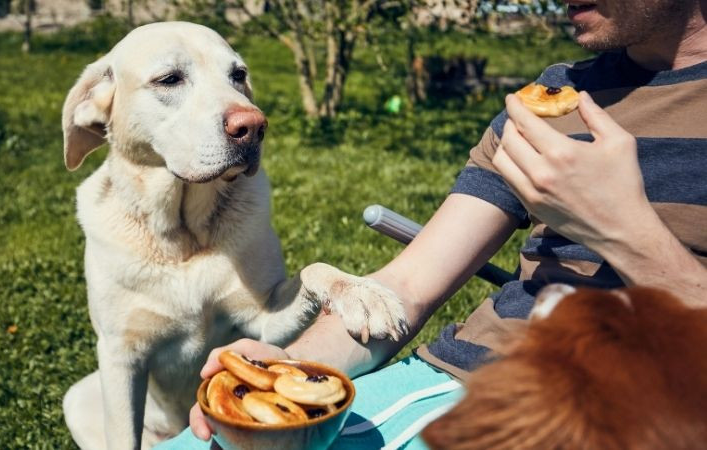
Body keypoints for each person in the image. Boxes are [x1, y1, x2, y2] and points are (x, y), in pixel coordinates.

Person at [158, 0, 707, 447]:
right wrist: (296, 370)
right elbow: (410, 285)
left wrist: (624, 232)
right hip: (457, 381)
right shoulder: (554, 96)